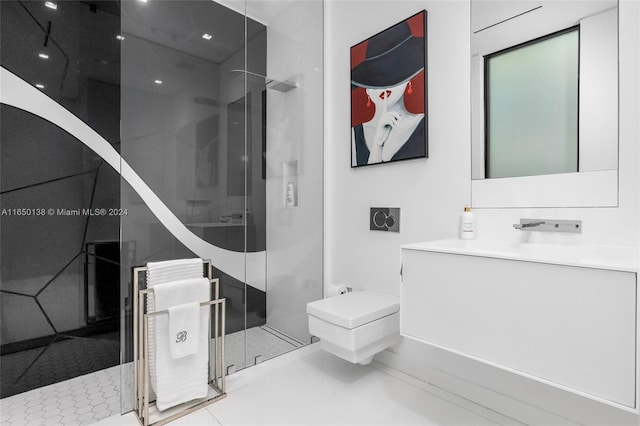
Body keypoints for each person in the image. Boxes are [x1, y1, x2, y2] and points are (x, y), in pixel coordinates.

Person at [351, 18, 426, 166]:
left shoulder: (423, 126)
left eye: (393, 76)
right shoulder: (355, 134)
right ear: (366, 90)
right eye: (373, 80)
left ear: (409, 79)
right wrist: (377, 147)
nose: (383, 87)